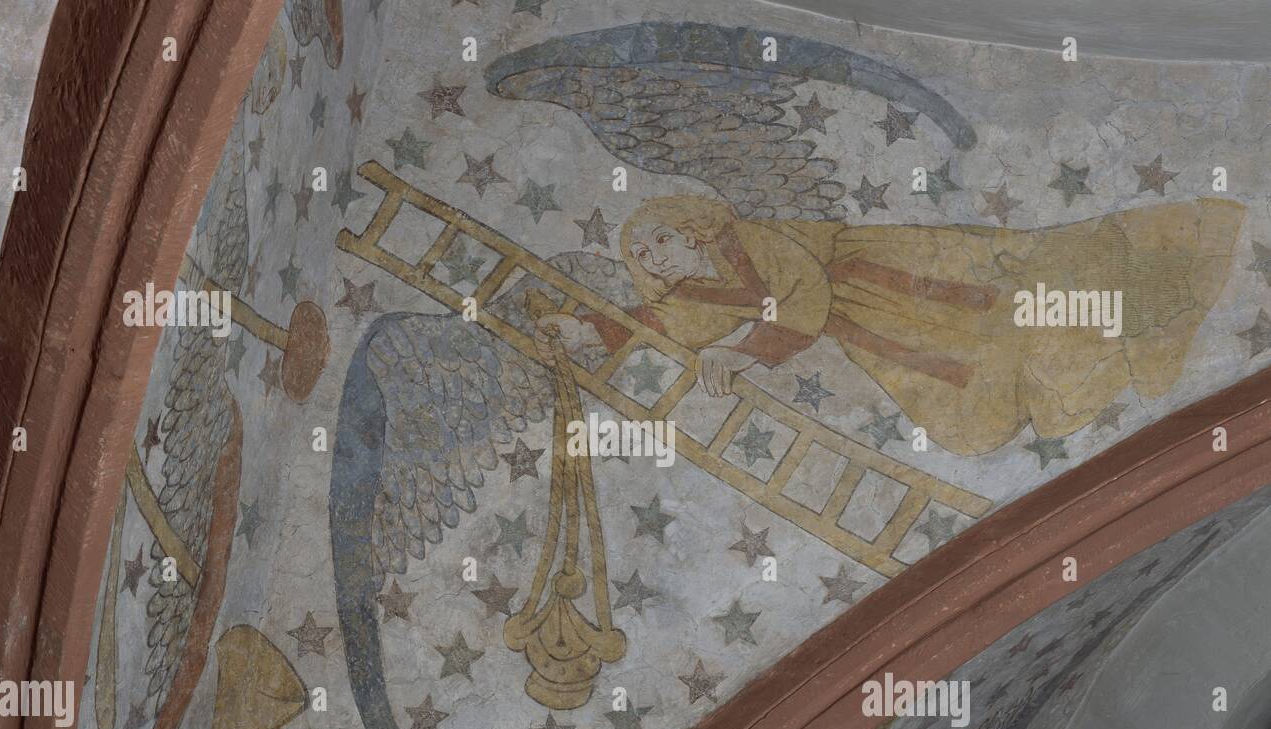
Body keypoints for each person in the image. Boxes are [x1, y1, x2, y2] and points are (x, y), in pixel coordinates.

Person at [533, 194, 1244, 456]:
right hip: (869, 330)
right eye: (642, 252)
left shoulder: (742, 238)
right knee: (972, 383)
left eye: (657, 235)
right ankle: (1111, 350)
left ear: (688, 224)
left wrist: (744, 353)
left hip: (882, 276)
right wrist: (584, 331)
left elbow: (801, 292)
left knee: (1020, 288)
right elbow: (655, 321)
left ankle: (1160, 292)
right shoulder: (691, 295)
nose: (652, 253)